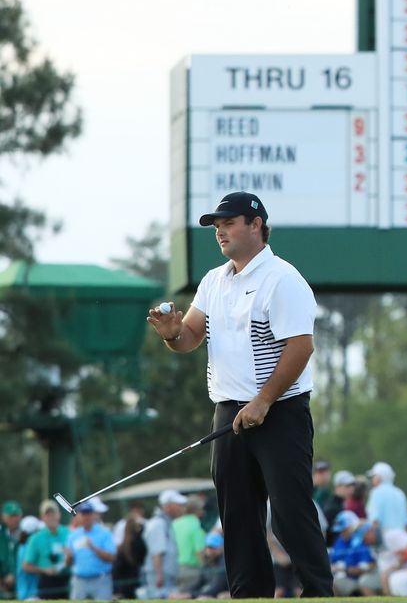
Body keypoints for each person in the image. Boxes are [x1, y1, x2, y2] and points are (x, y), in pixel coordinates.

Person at [146, 191, 332, 597]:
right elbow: (191, 336)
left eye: (228, 224)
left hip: (279, 411)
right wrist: (172, 335)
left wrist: (263, 400)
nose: (221, 233)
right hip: (228, 412)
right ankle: (250, 595)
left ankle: (319, 591)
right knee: (237, 514)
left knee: (289, 512)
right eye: (217, 227)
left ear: (256, 225)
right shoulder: (214, 280)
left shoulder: (282, 279)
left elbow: (300, 346)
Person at [138, 490, 186, 599]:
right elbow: (157, 553)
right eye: (178, 504)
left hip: (165, 575)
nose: (181, 507)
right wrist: (159, 576)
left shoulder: (164, 522)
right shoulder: (158, 524)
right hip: (160, 576)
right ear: (168, 506)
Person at [66, 498, 115, 601]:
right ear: (79, 516)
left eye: (88, 513)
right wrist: (69, 556)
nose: (86, 517)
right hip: (79, 580)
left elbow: (111, 557)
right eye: (83, 514)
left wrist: (93, 548)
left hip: (100, 580)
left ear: (93, 515)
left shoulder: (104, 533)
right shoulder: (73, 536)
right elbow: (68, 563)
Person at [23, 500, 69, 599]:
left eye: (54, 514)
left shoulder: (69, 533)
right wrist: (44, 570)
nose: (51, 517)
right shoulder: (36, 538)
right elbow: (26, 566)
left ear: (59, 515)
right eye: (48, 515)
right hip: (46, 581)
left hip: (67, 580)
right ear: (42, 518)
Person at [326, 511, 374, 597]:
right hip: (338, 577)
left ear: (352, 527)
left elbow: (367, 567)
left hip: (354, 580)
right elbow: (332, 560)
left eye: (344, 530)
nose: (341, 533)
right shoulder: (340, 541)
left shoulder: (360, 541)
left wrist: (344, 569)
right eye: (340, 531)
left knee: (330, 584)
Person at [171, 494, 205, 595]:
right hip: (191, 568)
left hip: (176, 567)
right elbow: (199, 550)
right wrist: (204, 568)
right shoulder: (195, 523)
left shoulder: (175, 522)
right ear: (198, 510)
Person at [15, 516, 42, 602]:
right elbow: (26, 567)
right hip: (29, 595)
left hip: (25, 594)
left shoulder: (23, 546)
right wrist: (45, 570)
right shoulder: (28, 547)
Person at [1, 500, 20, 598]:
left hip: (22, 584)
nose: (15, 519)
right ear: (3, 517)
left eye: (16, 515)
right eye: (11, 516)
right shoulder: (1, 535)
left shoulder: (27, 534)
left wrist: (14, 575)